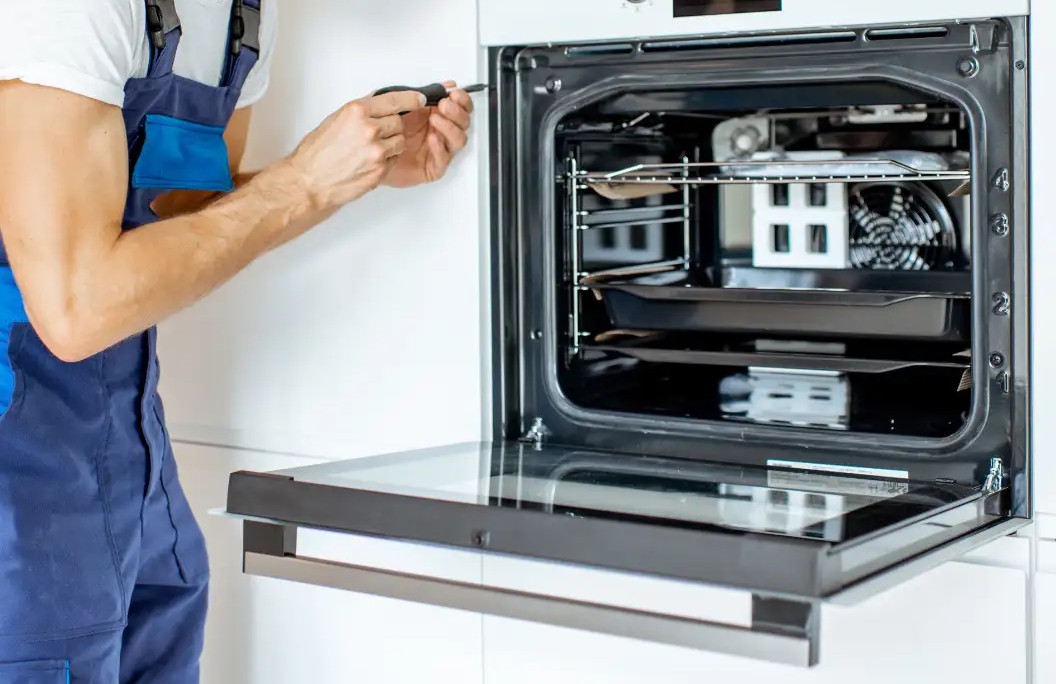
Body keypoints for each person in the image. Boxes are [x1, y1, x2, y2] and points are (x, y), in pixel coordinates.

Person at [0, 1, 473, 681]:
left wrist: (355, 170)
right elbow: (75, 307)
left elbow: (174, 219)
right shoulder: (78, 9)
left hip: (126, 457)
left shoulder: (247, 18)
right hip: (19, 477)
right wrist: (306, 181)